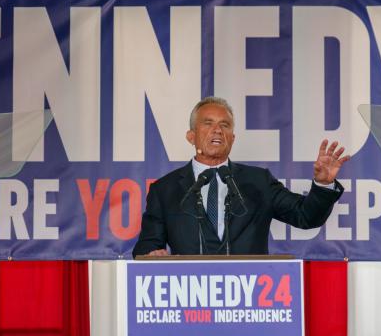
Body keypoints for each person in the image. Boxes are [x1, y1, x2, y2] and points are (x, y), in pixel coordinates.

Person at [132, 96, 349, 256]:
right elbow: (147, 246)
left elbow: (306, 216)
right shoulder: (165, 189)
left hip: (249, 300)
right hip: (190, 300)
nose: (217, 130)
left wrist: (323, 184)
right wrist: (151, 254)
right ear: (191, 136)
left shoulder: (258, 182)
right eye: (208, 123)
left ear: (232, 138)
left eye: (224, 125)